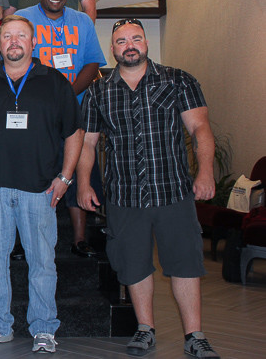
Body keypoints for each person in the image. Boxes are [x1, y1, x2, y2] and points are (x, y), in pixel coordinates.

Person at [77, 19, 220, 358]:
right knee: (134, 264)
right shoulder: (99, 91)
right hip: (124, 196)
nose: (129, 45)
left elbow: (200, 128)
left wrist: (205, 173)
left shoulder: (178, 80)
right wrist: (83, 183)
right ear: (113, 49)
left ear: (145, 43)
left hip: (173, 192)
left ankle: (195, 335)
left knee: (185, 263)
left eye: (136, 38)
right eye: (121, 41)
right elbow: (88, 143)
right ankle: (145, 329)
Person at [0, 15, 83, 354]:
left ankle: (43, 327)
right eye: (7, 36)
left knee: (42, 263)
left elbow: (74, 132)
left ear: (33, 43)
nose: (14, 41)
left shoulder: (55, 82)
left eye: (21, 36)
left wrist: (65, 177)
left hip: (40, 189)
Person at [16, 0, 106, 258]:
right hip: (35, 109)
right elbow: (15, 59)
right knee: (32, 173)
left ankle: (79, 239)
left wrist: (67, 94)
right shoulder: (24, 19)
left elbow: (93, 62)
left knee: (77, 168)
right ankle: (26, 240)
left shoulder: (82, 21)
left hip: (74, 108)